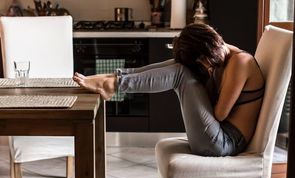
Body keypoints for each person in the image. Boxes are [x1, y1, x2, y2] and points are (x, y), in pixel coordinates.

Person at [73, 23, 265, 157]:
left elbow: (220, 114)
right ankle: (113, 80)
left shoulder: (240, 62)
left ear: (211, 44)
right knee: (180, 66)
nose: (206, 64)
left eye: (203, 59)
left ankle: (113, 83)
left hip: (223, 143)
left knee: (181, 72)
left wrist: (205, 76)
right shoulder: (220, 57)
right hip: (214, 136)